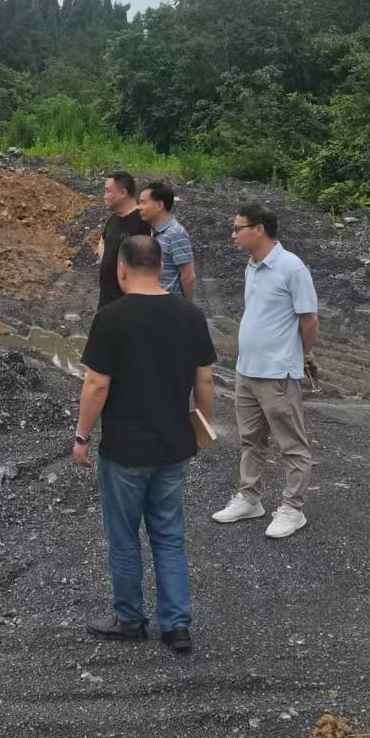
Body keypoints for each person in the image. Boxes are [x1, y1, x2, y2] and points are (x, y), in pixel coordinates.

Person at [73, 235, 217, 655]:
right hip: (173, 446)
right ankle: (177, 626)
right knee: (169, 534)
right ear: (161, 267)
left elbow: (96, 384)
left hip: (124, 449)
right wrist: (200, 424)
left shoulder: (111, 318)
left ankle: (130, 619)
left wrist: (82, 436)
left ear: (121, 269)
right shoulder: (190, 314)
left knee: (124, 536)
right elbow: (205, 380)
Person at [212, 201, 319, 540]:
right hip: (247, 370)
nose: (233, 235)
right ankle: (249, 499)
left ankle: (292, 508)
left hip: (277, 373)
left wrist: (303, 353)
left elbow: (309, 318)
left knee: (291, 443)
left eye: (238, 228)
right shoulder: (252, 266)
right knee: (251, 440)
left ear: (258, 230)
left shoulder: (291, 267)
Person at [95, 169, 152, 312]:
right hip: (106, 300)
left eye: (108, 191)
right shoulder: (113, 219)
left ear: (123, 192)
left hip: (129, 304)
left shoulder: (142, 223)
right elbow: (103, 240)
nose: (104, 196)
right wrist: (107, 261)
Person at [137, 179, 195, 299]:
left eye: (143, 202)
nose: (139, 207)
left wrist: (186, 306)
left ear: (159, 205)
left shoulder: (175, 233)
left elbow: (188, 276)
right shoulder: (154, 232)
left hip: (171, 305)